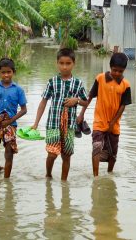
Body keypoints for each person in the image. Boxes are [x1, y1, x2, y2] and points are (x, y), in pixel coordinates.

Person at [31, 48, 88, 181]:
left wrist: (77, 100)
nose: (64, 67)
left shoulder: (78, 83)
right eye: (61, 63)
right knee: (51, 154)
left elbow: (86, 102)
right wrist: (35, 123)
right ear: (57, 63)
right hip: (53, 124)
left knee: (66, 155)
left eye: (68, 63)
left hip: (69, 126)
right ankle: (48, 175)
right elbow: (43, 102)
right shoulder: (52, 82)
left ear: (74, 63)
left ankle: (64, 184)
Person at [78, 53, 132, 176]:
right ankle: (95, 176)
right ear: (110, 67)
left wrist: (113, 123)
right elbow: (89, 97)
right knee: (96, 147)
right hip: (99, 121)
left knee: (113, 154)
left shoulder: (126, 85)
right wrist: (81, 114)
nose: (117, 73)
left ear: (124, 70)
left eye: (120, 71)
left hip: (114, 125)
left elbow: (123, 106)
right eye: (114, 70)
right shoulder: (100, 79)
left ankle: (110, 173)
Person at [0, 58, 27, 178]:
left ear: (13, 72)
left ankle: (6, 181)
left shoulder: (18, 90)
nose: (6, 75)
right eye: (3, 72)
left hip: (11, 126)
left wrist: (10, 120)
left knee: (9, 154)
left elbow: (24, 110)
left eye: (9, 72)